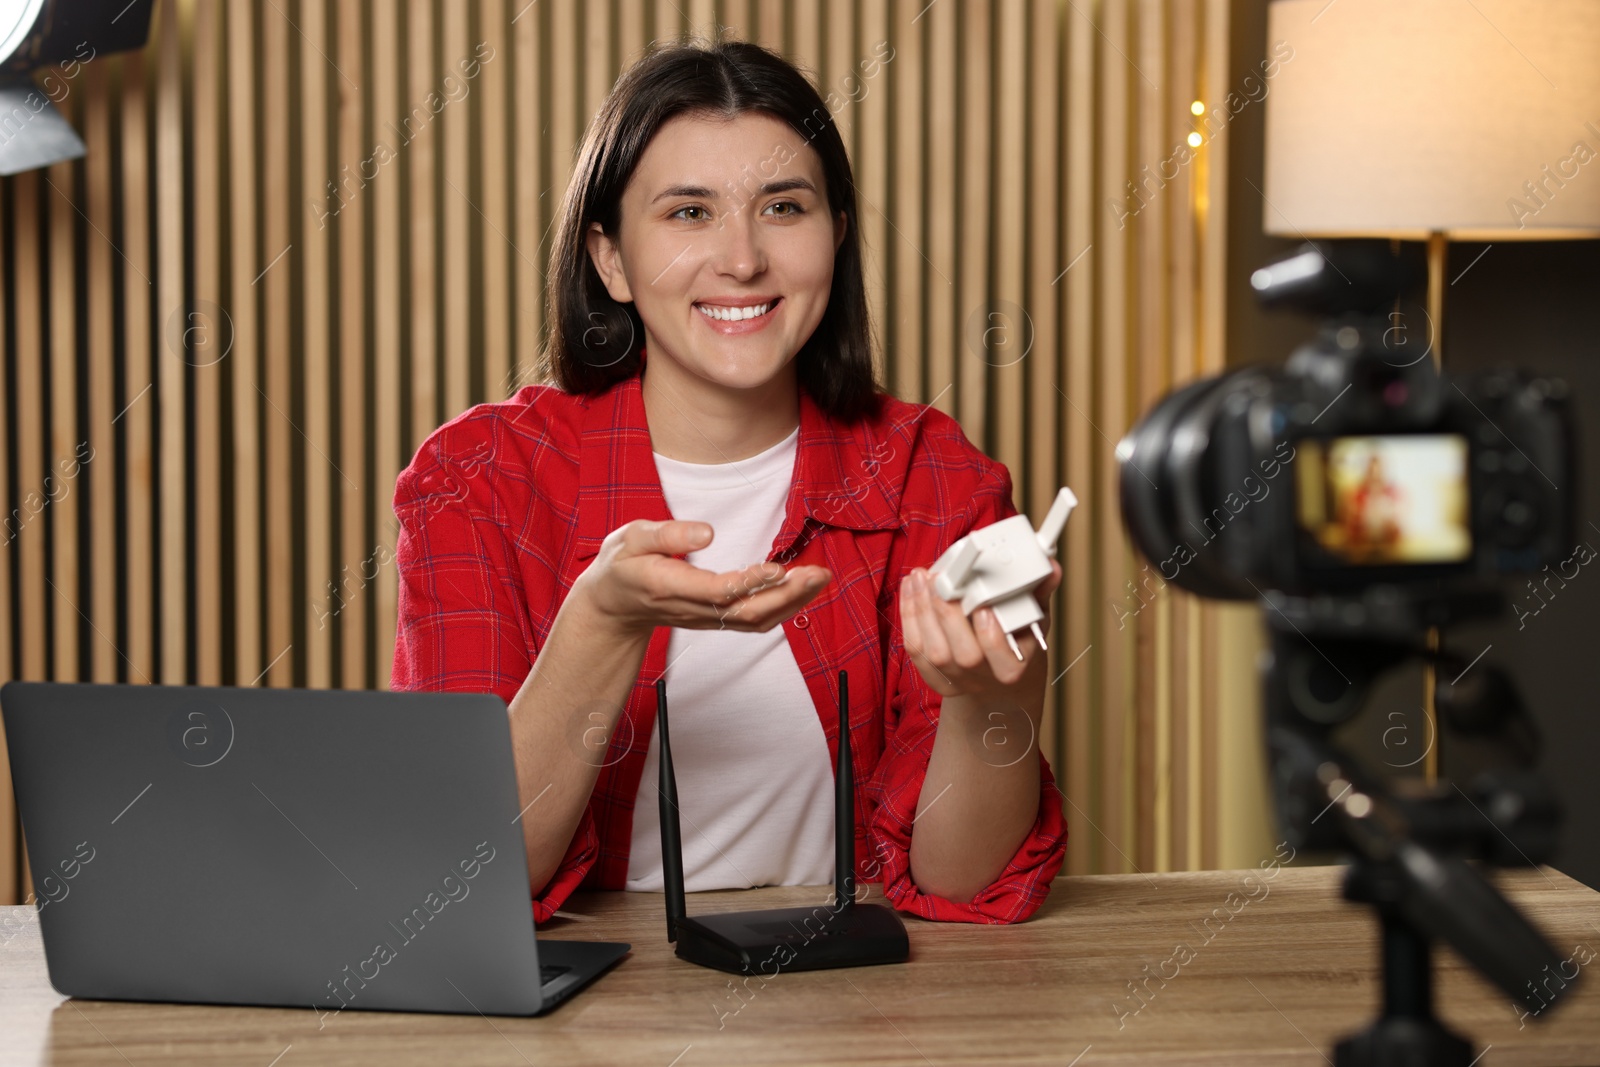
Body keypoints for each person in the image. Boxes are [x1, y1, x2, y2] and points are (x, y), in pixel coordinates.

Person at [391, 37, 1067, 925]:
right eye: (688, 213)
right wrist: (603, 621)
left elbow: (957, 882)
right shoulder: (479, 478)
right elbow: (463, 872)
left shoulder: (933, 476)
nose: (742, 258)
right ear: (611, 261)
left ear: (836, 236)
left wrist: (999, 697)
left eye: (784, 207)